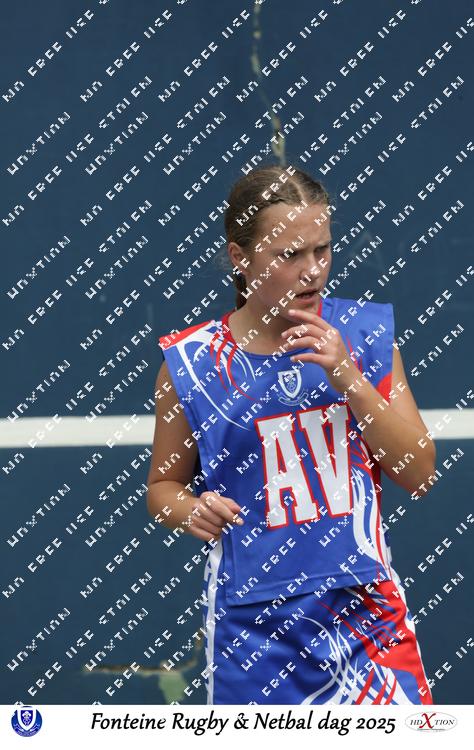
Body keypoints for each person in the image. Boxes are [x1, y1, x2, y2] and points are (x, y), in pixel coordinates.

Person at [146, 164, 435, 705]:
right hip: (252, 631)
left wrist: (348, 378)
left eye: (322, 250)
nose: (313, 271)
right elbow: (163, 488)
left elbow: (419, 472)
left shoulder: (366, 336)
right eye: (290, 255)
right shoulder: (191, 362)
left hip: (366, 618)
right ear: (240, 257)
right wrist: (191, 510)